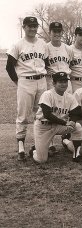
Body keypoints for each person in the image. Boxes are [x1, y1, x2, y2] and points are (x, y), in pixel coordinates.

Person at [6, 16, 49, 161]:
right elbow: (9, 67)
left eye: (35, 26)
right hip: (25, 81)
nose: (32, 28)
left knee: (42, 113)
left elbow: (47, 64)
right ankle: (21, 147)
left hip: (41, 81)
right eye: (29, 26)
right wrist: (18, 82)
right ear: (24, 27)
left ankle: (41, 144)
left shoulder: (43, 44)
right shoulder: (18, 44)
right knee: (23, 115)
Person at [29, 72, 82, 163]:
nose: (63, 84)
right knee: (42, 160)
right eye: (60, 82)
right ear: (54, 83)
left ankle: (76, 154)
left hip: (59, 126)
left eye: (65, 82)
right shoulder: (47, 94)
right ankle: (35, 150)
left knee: (77, 126)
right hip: (44, 127)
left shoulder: (70, 97)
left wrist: (73, 121)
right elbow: (47, 115)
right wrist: (65, 123)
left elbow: (76, 112)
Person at [45, 22, 73, 93]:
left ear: (62, 33)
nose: (57, 34)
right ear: (49, 32)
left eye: (59, 31)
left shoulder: (68, 48)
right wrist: (45, 70)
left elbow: (71, 64)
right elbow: (41, 64)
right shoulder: (45, 48)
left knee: (67, 102)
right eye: (54, 31)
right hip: (52, 81)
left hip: (66, 81)